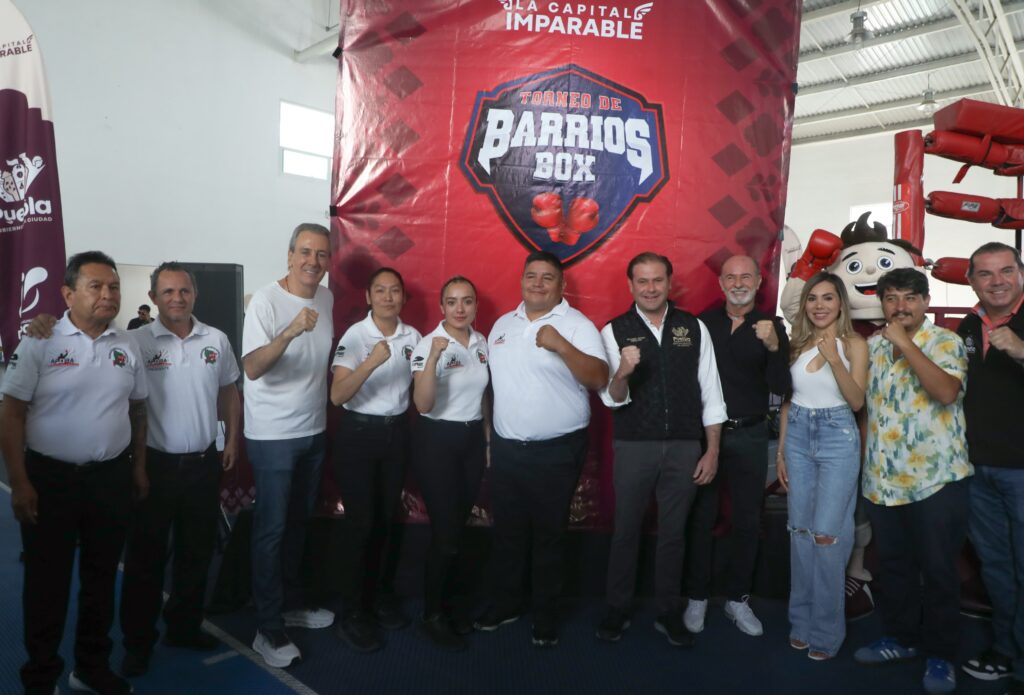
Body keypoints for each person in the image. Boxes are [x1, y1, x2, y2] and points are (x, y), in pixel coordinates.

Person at [21, 262, 243, 677]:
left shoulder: (216, 339)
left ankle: (184, 627)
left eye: (184, 291)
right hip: (152, 466)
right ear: (153, 297)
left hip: (203, 463)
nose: (177, 298)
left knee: (196, 555)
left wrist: (231, 439)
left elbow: (229, 389)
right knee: (145, 560)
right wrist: (44, 322)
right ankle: (138, 642)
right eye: (168, 291)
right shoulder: (133, 341)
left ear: (195, 295)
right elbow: (88, 336)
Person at [1, 251, 147, 695]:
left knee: (101, 580)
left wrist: (138, 468)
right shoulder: (41, 339)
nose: (108, 295)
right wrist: (19, 481)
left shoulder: (127, 344)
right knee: (47, 583)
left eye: (114, 287)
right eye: (95, 286)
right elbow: (11, 412)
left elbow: (138, 410)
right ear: (68, 294)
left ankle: (90, 668)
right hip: (50, 480)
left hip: (110, 478)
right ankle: (41, 676)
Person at [474, 251, 608, 647]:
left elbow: (599, 378)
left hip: (557, 452)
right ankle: (507, 603)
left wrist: (561, 345)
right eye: (531, 276)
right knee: (508, 533)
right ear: (521, 280)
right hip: (507, 449)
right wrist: (489, 438)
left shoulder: (577, 325)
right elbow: (491, 386)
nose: (538, 283)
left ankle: (545, 614)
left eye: (547, 277)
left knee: (549, 536)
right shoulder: (502, 325)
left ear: (561, 285)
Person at [595, 252, 727, 647]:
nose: (650, 288)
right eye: (643, 281)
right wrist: (623, 372)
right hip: (634, 444)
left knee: (673, 533)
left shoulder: (693, 327)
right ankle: (617, 608)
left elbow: (711, 392)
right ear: (631, 285)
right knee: (626, 530)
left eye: (657, 280)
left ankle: (668, 611)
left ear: (669, 283)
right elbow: (612, 397)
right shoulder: (614, 330)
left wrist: (712, 451)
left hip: (685, 445)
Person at [849, 267, 969, 695]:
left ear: (926, 302)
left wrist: (904, 343)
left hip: (936, 480)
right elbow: (868, 411)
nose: (900, 307)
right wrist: (864, 466)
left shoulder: (946, 341)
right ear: (882, 303)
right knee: (894, 568)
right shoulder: (872, 347)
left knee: (938, 571)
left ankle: (941, 654)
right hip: (884, 480)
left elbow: (946, 392)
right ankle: (901, 638)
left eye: (910, 298)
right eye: (892, 298)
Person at [242, 223, 336, 668]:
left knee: (299, 523)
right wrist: (290, 332)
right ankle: (266, 626)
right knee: (272, 530)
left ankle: (290, 605)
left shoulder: (327, 298)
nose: (312, 262)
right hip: (273, 435)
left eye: (321, 254)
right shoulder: (265, 301)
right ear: (289, 255)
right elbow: (252, 368)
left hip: (313, 430)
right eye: (305, 252)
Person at [684, 255, 790, 637]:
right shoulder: (702, 323)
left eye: (746, 276)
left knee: (747, 519)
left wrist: (774, 346)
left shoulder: (772, 326)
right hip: (705, 435)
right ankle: (697, 596)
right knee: (701, 517)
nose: (738, 282)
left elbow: (782, 387)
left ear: (759, 282)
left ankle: (737, 598)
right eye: (731, 276)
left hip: (750, 434)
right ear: (721, 283)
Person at [776, 271, 867, 661]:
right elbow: (788, 402)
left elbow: (857, 401)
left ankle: (827, 632)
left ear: (841, 303)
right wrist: (781, 451)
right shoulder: (797, 343)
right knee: (799, 531)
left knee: (827, 536)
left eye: (828, 298)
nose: (819, 305)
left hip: (837, 436)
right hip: (797, 435)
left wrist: (834, 360)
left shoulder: (855, 344)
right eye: (813, 298)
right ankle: (801, 622)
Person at [330, 267, 421, 653]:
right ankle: (352, 613)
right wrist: (369, 362)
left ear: (403, 297)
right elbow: (337, 395)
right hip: (359, 436)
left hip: (396, 434)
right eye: (380, 290)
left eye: (394, 291)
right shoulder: (356, 335)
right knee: (361, 524)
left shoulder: (413, 337)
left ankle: (379, 596)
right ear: (368, 297)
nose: (387, 297)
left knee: (386, 520)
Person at [409, 276, 490, 651]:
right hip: (437, 441)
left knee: (458, 528)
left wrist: (487, 437)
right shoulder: (429, 344)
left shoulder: (481, 341)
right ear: (442, 307)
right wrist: (433, 359)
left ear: (475, 306)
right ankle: (431, 615)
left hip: (471, 441)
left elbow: (483, 392)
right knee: (445, 532)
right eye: (453, 302)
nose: (460, 308)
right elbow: (423, 404)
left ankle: (451, 605)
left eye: (467, 301)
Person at [957, 242, 1024, 694]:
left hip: (1021, 471)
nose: (997, 281)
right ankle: (1006, 651)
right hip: (979, 469)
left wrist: (1021, 351)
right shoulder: (968, 324)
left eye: (1006, 271)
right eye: (985, 273)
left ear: (1020, 273)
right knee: (996, 567)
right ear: (971, 281)